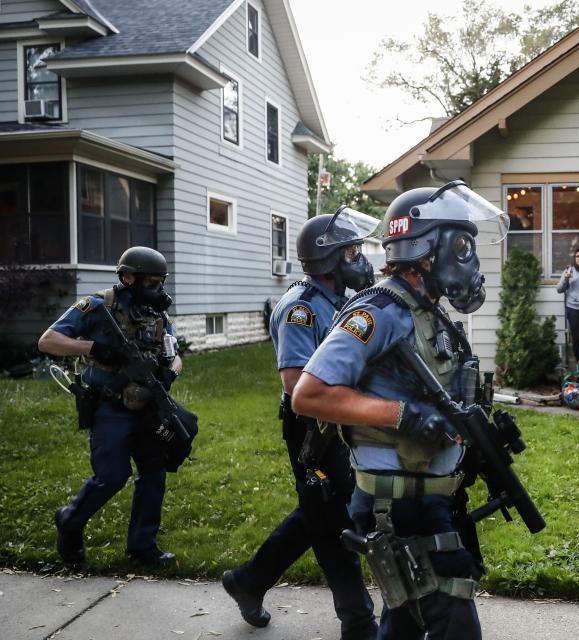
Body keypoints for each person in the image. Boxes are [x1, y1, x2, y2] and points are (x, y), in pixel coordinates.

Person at [291, 180, 508, 640]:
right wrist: (402, 417)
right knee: (452, 614)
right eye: (463, 244)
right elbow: (308, 394)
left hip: (425, 495)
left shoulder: (427, 310)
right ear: (427, 251)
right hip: (396, 503)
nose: (470, 258)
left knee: (406, 622)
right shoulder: (379, 311)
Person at [221, 207, 379, 638]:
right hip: (312, 431)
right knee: (334, 525)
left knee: (319, 513)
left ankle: (247, 582)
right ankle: (359, 621)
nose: (360, 260)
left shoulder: (338, 302)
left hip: (337, 426)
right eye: (352, 252)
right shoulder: (301, 310)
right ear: (330, 259)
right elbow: (296, 387)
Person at [38, 246, 184, 565]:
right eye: (151, 282)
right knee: (112, 476)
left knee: (153, 472)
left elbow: (175, 356)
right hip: (109, 406)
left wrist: (168, 372)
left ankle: (142, 547)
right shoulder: (96, 305)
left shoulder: (157, 313)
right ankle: (70, 520)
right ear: (128, 278)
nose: (159, 289)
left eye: (162, 281)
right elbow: (48, 341)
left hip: (148, 406)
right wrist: (95, 348)